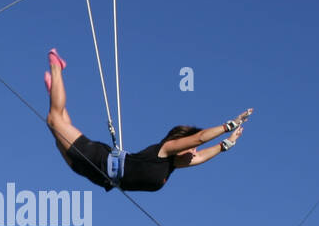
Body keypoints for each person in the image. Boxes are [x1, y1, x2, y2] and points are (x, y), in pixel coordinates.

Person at [43, 47, 250, 192]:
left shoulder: (172, 167)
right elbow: (200, 139)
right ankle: (57, 68)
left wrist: (227, 145)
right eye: (191, 149)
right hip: (100, 159)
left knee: (58, 128)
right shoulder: (165, 151)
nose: (194, 154)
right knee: (54, 121)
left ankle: (55, 89)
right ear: (181, 143)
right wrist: (228, 125)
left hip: (99, 177)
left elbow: (202, 155)